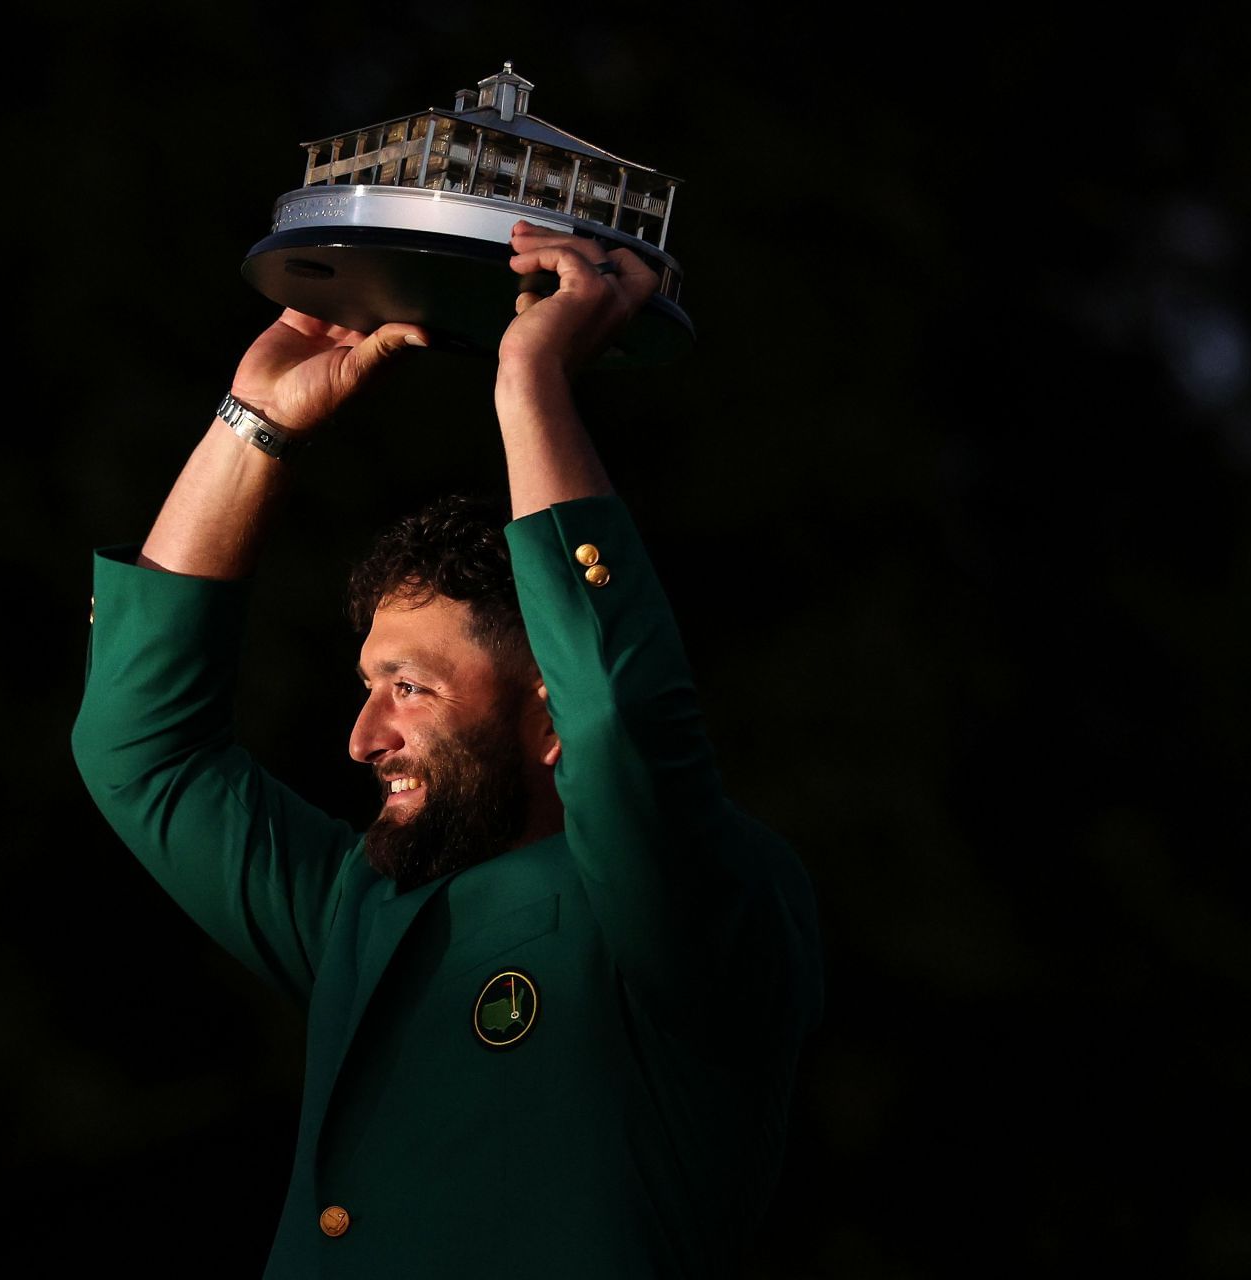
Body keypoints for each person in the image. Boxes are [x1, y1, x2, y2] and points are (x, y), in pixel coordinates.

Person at [71, 221, 824, 1277]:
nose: (364, 736)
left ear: (548, 704)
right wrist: (254, 423)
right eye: (369, 685)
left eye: (411, 688)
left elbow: (623, 722)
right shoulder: (362, 908)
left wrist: (531, 380)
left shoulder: (691, 901)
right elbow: (139, 750)